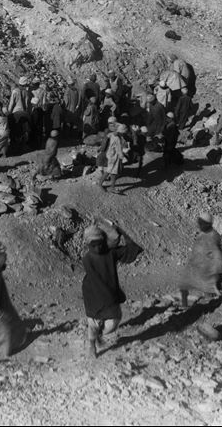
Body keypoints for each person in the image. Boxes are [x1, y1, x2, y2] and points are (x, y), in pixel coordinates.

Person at [82, 222, 142, 358]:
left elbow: (130, 250)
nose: (97, 247)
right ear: (88, 245)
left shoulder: (110, 254)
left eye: (99, 243)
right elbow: (98, 281)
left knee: (113, 323)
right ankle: (91, 344)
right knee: (93, 323)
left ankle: (99, 335)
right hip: (92, 294)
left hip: (109, 295)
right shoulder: (87, 259)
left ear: (103, 242)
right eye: (93, 244)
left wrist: (123, 234)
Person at [178, 214, 222, 308]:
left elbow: (218, 256)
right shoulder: (203, 233)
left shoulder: (213, 236)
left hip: (207, 268)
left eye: (202, 223)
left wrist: (216, 273)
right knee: (184, 284)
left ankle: (210, 307)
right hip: (196, 265)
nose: (200, 225)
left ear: (209, 224)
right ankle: (184, 305)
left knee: (207, 289)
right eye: (200, 222)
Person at [98, 124, 127, 191]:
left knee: (113, 172)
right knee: (109, 171)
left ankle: (112, 187)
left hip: (111, 155)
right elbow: (119, 150)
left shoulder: (113, 134)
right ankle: (100, 184)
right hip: (114, 157)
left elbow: (108, 136)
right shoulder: (118, 139)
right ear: (121, 132)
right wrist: (124, 158)